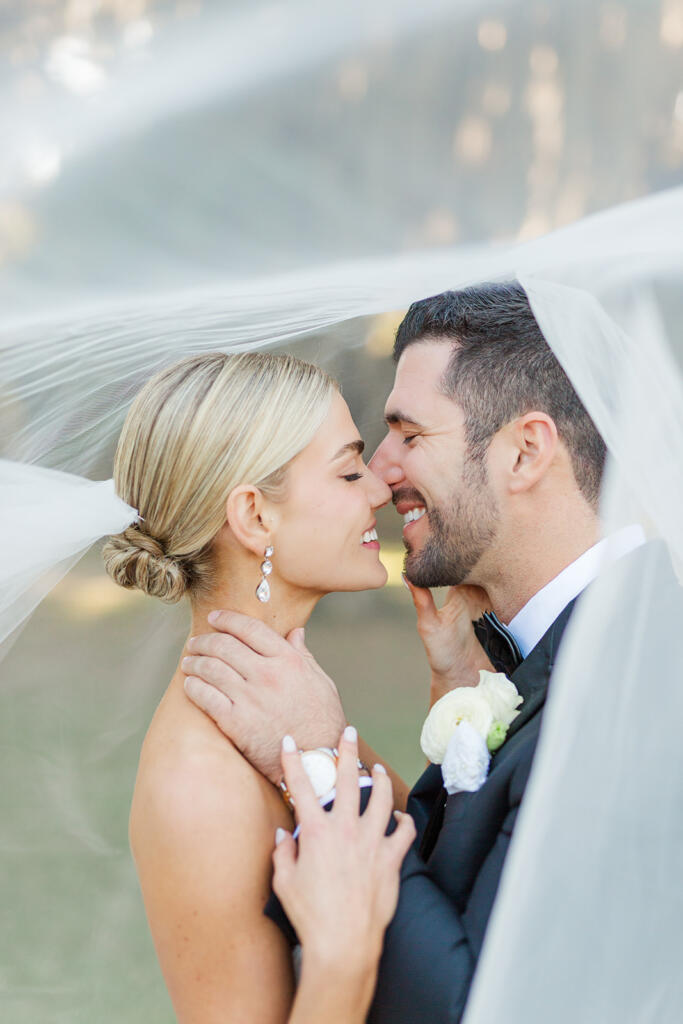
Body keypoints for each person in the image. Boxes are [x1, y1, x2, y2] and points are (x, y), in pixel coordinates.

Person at [183, 281, 649, 1022]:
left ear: (525, 451)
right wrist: (468, 683)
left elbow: (478, 1004)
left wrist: (318, 766)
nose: (381, 473)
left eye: (409, 435)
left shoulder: (639, 681)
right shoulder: (595, 642)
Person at [100, 350, 416, 1023]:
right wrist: (343, 956)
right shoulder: (200, 787)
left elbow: (433, 864)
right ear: (253, 516)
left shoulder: (286, 704)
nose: (378, 491)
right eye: (348, 470)